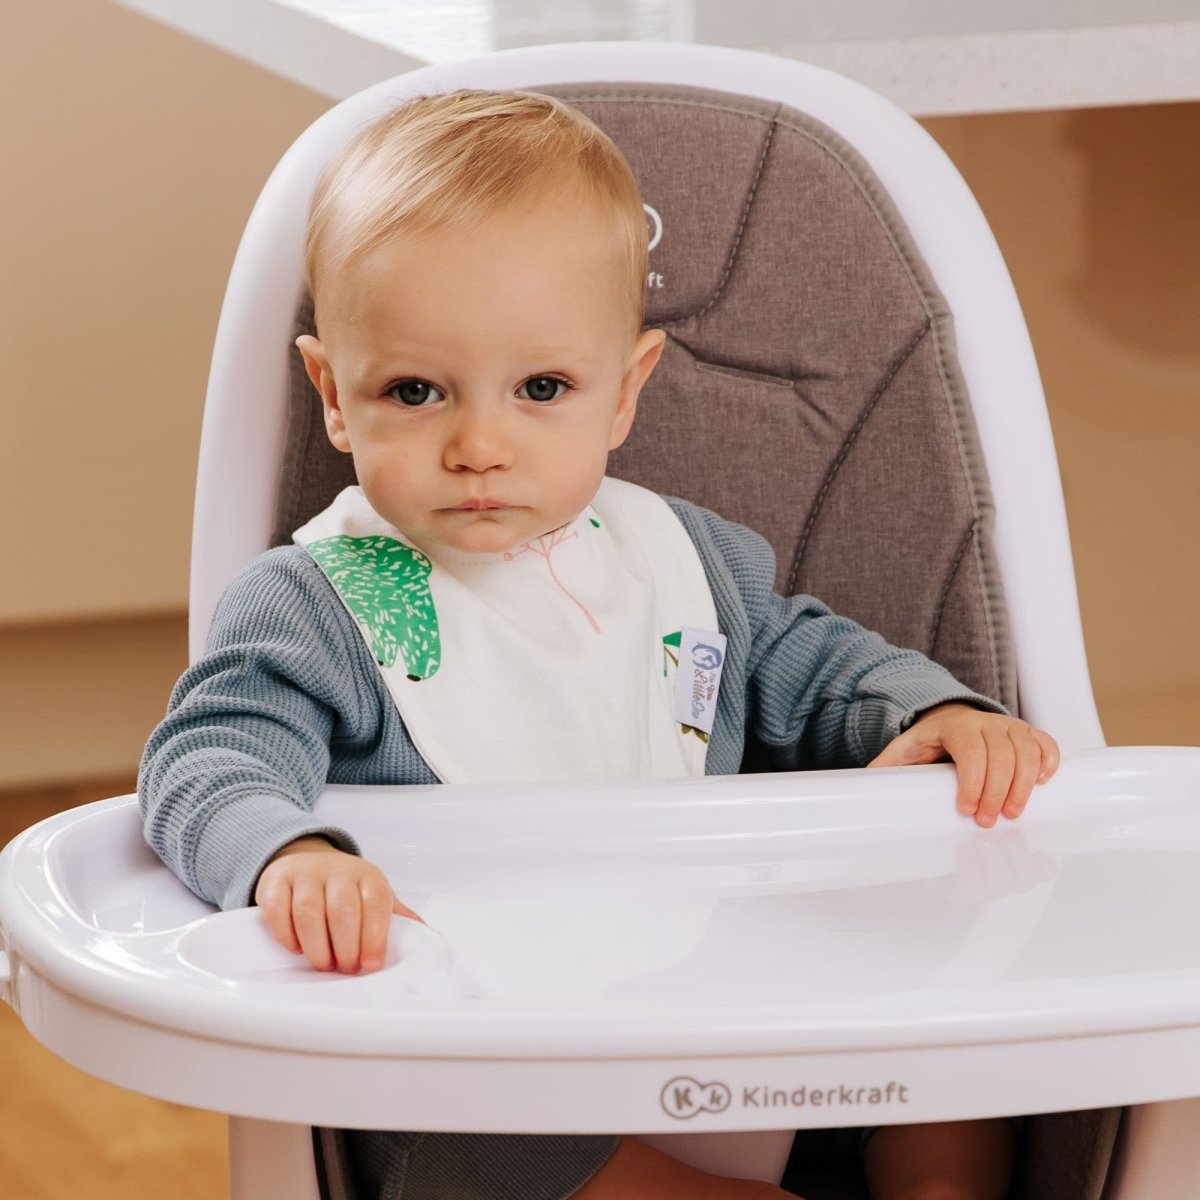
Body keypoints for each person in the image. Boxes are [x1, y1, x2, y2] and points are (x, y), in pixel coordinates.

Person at [140, 89, 1059, 1200]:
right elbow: (207, 760)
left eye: (541, 388)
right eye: (416, 391)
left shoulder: (681, 563)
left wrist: (933, 716)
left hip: (739, 1013)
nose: (480, 444)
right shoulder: (325, 602)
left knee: (954, 1037)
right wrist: (289, 858)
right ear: (335, 396)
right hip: (492, 1052)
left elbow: (822, 668)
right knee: (443, 1134)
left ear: (625, 393)